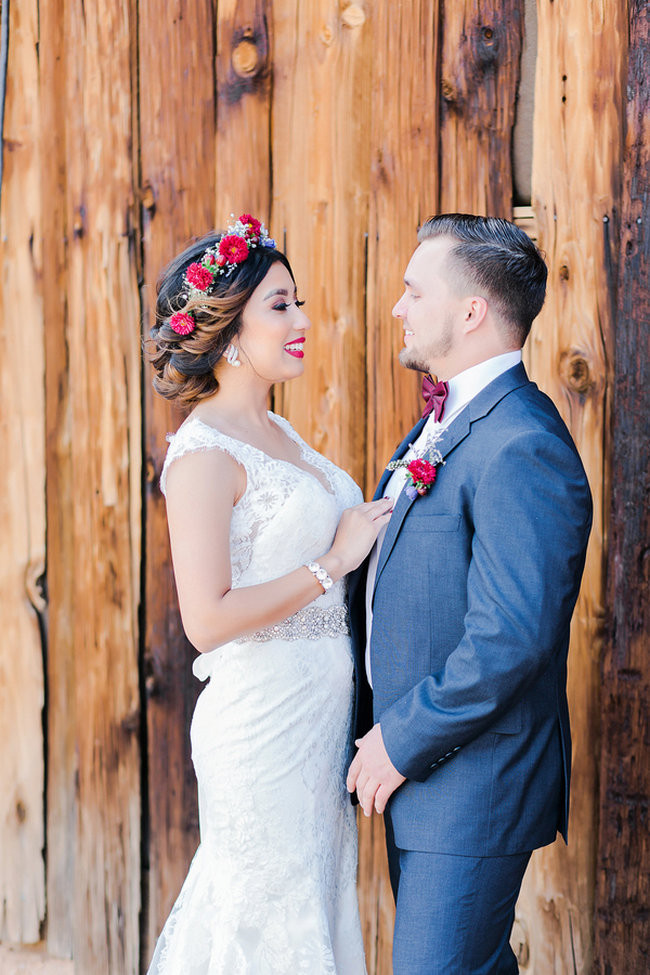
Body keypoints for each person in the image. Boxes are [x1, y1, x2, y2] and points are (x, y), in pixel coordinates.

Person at [347, 213, 593, 974]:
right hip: (425, 780)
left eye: (414, 290)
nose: (399, 306)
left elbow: (510, 636)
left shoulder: (521, 442)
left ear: (471, 311)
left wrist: (401, 735)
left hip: (471, 780)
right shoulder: (450, 421)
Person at [146, 214, 392, 974]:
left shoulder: (286, 437)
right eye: (279, 305)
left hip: (318, 724)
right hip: (260, 725)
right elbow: (207, 618)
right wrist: (333, 560)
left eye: (300, 301)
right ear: (226, 328)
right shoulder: (202, 455)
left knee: (310, 906)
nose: (302, 320)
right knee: (262, 918)